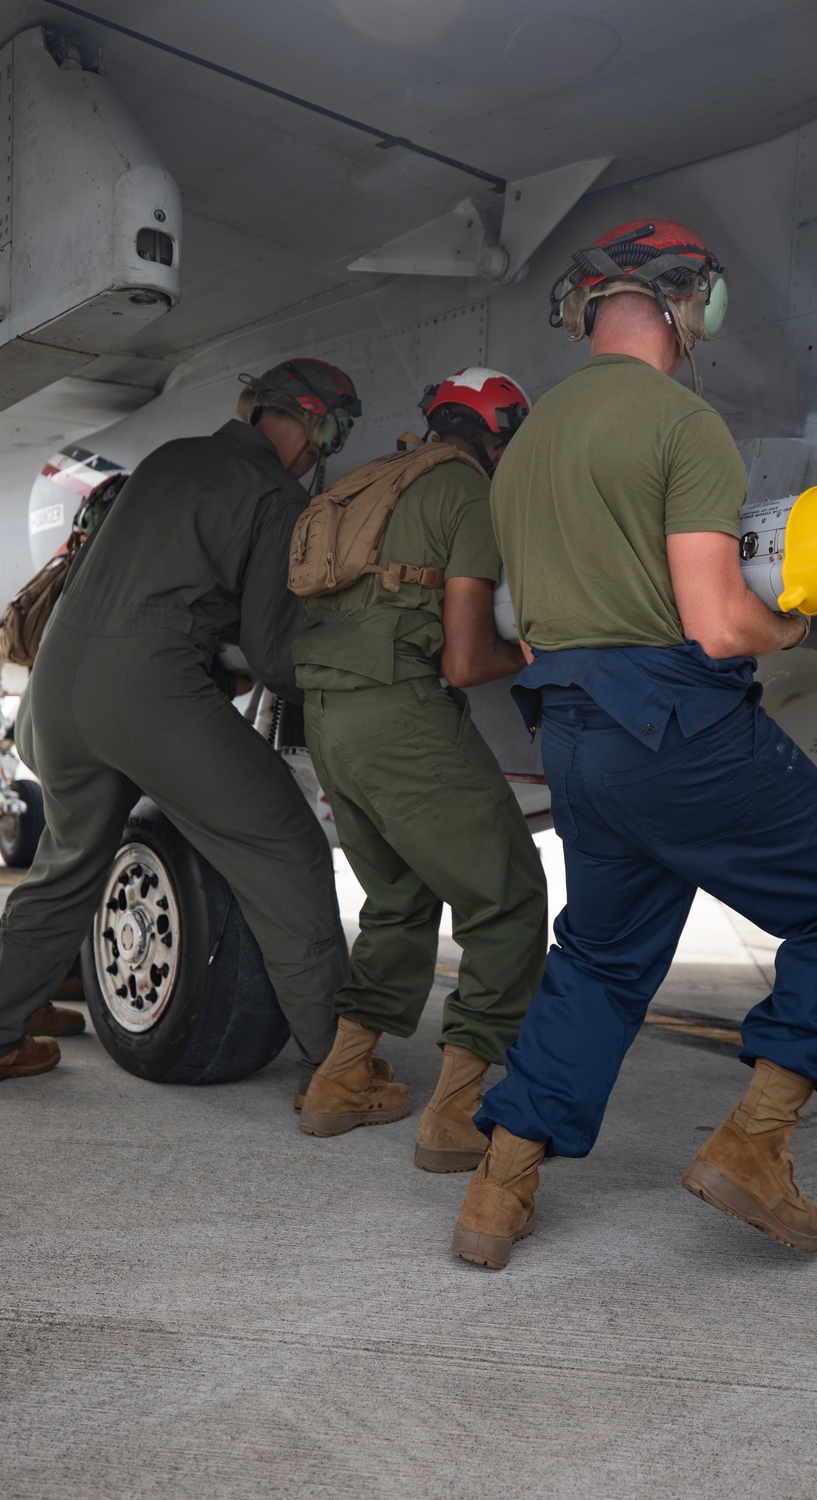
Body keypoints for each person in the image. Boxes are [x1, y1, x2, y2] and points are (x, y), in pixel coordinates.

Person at [451, 220, 817, 1268]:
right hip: (676, 724)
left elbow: (523, 627)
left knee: (601, 961)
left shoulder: (521, 455)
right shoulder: (682, 425)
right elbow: (712, 621)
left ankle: (495, 1192)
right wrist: (787, 625)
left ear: (588, 306)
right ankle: (752, 1148)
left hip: (572, 734)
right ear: (685, 304)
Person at [0, 359, 362, 1106]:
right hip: (143, 694)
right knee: (286, 844)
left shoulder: (170, 458)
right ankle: (338, 1070)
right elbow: (273, 651)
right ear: (314, 425)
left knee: (68, 863)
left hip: (56, 691)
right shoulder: (276, 492)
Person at [294, 368, 549, 1173]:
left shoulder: (377, 479)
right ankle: (455, 1112)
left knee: (399, 895)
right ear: (497, 432)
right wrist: (531, 651)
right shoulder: (465, 492)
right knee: (506, 895)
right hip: (403, 719)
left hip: (328, 721)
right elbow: (469, 659)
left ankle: (340, 1080)